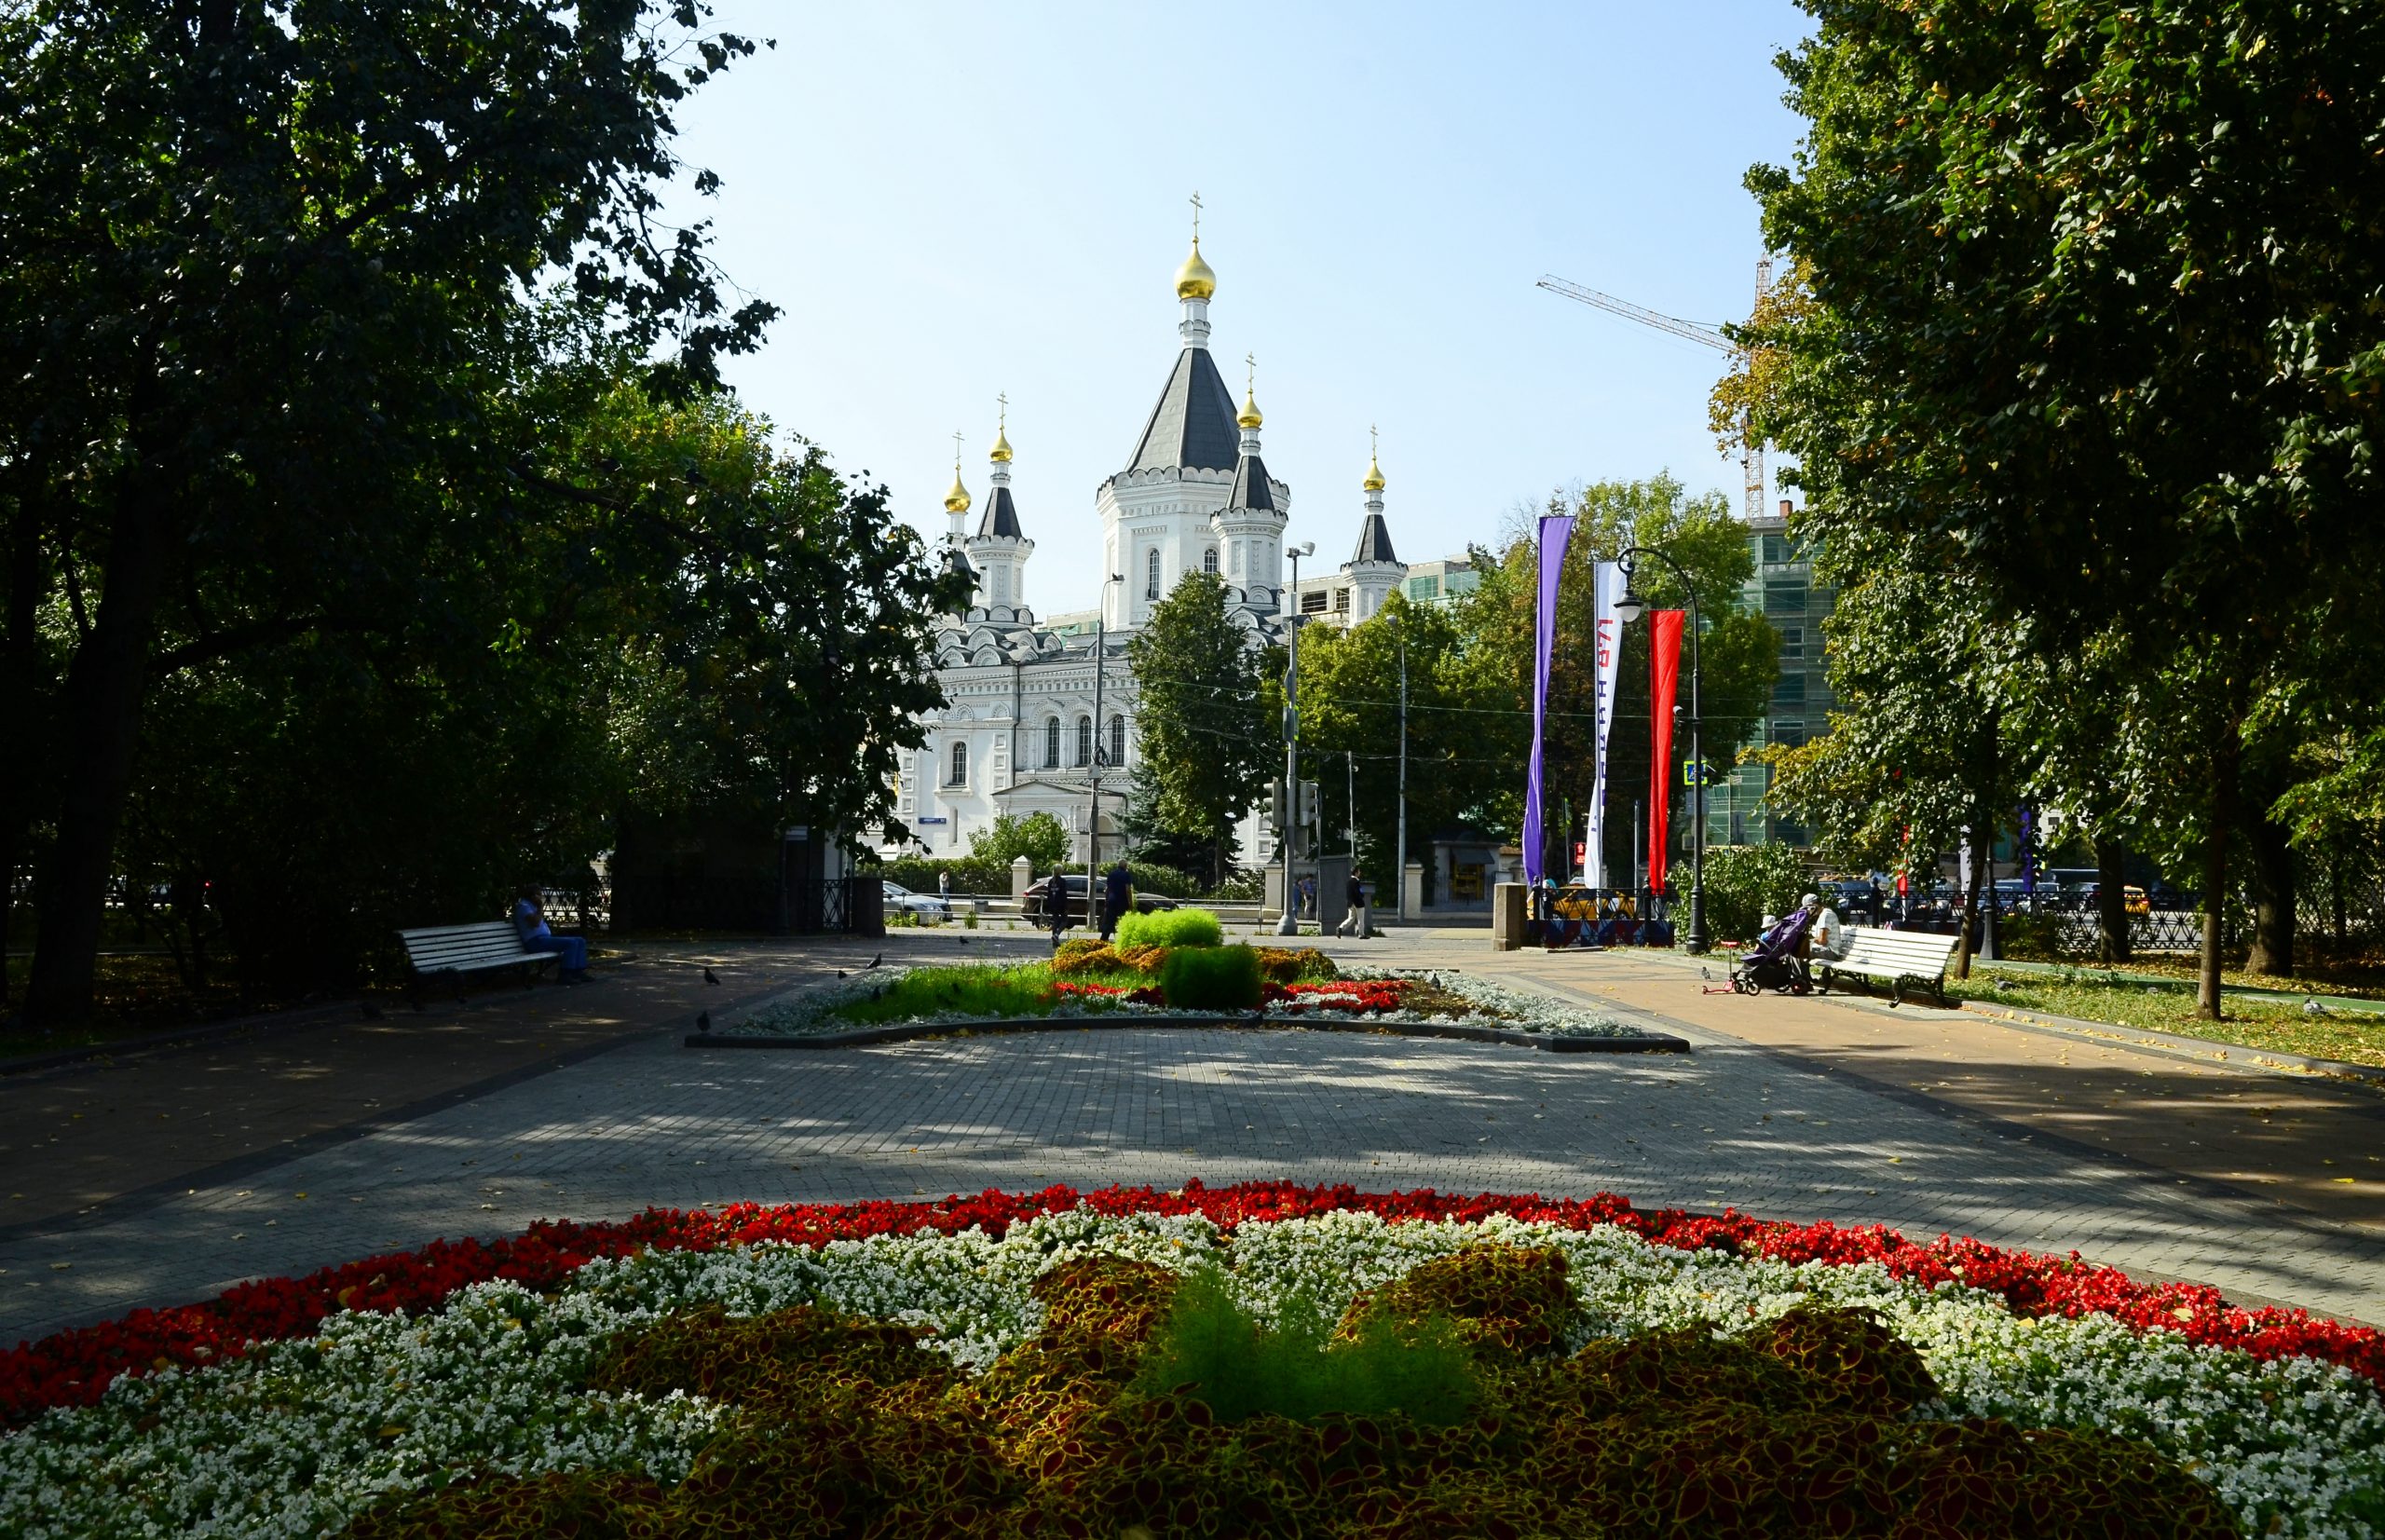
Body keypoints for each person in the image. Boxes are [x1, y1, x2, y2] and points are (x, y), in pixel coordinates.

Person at [512, 886, 588, 982]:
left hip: (543, 939)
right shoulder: (524, 906)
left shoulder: (532, 906)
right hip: (534, 942)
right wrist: (540, 908)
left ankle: (578, 972)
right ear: (532, 896)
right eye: (539, 895)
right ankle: (565, 974)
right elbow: (535, 923)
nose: (541, 897)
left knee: (580, 940)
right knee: (571, 943)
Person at [1803, 891, 1847, 961]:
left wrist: (1807, 940)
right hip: (1824, 950)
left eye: (1809, 907)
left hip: (1830, 952)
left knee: (1799, 953)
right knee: (1795, 951)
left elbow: (1823, 941)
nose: (1808, 910)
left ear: (1815, 905)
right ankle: (1799, 972)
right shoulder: (1823, 914)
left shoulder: (1826, 915)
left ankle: (1801, 973)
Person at [1101, 860, 1131, 942]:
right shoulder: (1126, 874)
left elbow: (1107, 889)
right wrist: (1130, 902)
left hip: (1111, 901)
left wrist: (1106, 900)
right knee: (1123, 920)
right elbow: (1128, 889)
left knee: (1109, 921)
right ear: (1125, 866)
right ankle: (1124, 939)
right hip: (1122, 901)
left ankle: (1103, 939)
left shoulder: (1111, 874)